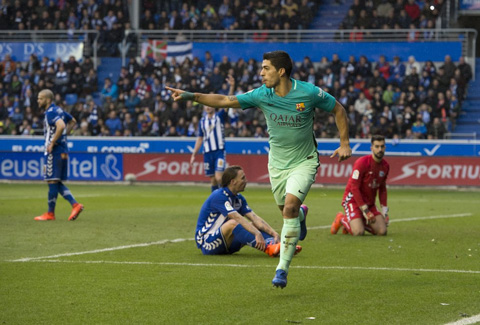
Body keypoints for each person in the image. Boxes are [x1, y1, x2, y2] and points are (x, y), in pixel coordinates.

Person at [167, 50, 352, 289]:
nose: (261, 73)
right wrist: (191, 96)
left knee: (289, 208)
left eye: (266, 68)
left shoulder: (308, 92)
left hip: (304, 160)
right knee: (288, 211)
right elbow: (226, 100)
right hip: (276, 164)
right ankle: (302, 216)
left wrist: (344, 143)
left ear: (281, 71)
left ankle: (282, 269)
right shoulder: (262, 95)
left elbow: (338, 109)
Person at [195, 165, 302, 257]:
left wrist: (274, 233)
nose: (246, 181)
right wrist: (256, 233)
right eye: (243, 178)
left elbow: (254, 218)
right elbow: (236, 217)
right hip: (207, 243)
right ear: (233, 182)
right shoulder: (219, 196)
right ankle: (269, 247)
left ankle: (280, 246)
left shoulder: (239, 198)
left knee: (252, 225)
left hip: (226, 243)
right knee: (234, 223)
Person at [34, 89, 84, 221]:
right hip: (63, 150)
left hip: (54, 151)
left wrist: (52, 142)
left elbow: (61, 125)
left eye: (40, 98)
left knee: (51, 181)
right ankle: (74, 205)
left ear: (48, 100)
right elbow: (72, 121)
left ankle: (52, 213)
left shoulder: (50, 113)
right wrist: (63, 136)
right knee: (56, 181)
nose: (38, 101)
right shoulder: (59, 110)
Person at [331, 135, 389, 236]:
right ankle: (342, 219)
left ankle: (357, 221)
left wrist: (385, 211)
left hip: (369, 203)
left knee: (382, 231)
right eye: (377, 146)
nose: (380, 149)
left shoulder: (385, 166)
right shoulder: (361, 163)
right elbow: (354, 187)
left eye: (382, 146)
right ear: (372, 148)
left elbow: (382, 189)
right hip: (352, 201)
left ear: (385, 147)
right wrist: (365, 210)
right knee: (358, 232)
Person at [190, 75, 234, 192]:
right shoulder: (202, 121)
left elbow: (228, 102)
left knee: (219, 178)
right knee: (213, 180)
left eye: (210, 105)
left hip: (219, 151)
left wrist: (232, 86)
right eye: (206, 105)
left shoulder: (220, 116)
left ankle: (227, 195)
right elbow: (200, 138)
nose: (208, 107)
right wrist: (194, 153)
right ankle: (215, 202)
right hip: (207, 153)